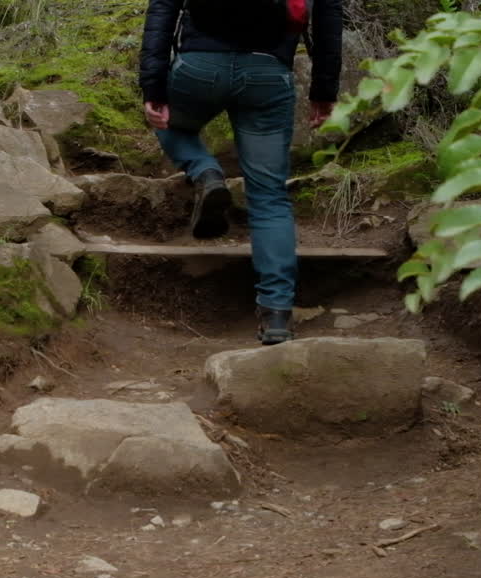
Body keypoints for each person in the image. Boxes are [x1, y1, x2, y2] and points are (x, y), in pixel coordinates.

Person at [139, 0, 343, 345]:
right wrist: (324, 90)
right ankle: (276, 313)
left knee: (168, 123)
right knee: (269, 197)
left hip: (199, 67)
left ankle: (205, 171)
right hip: (269, 73)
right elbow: (328, 13)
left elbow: (163, 8)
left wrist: (153, 86)